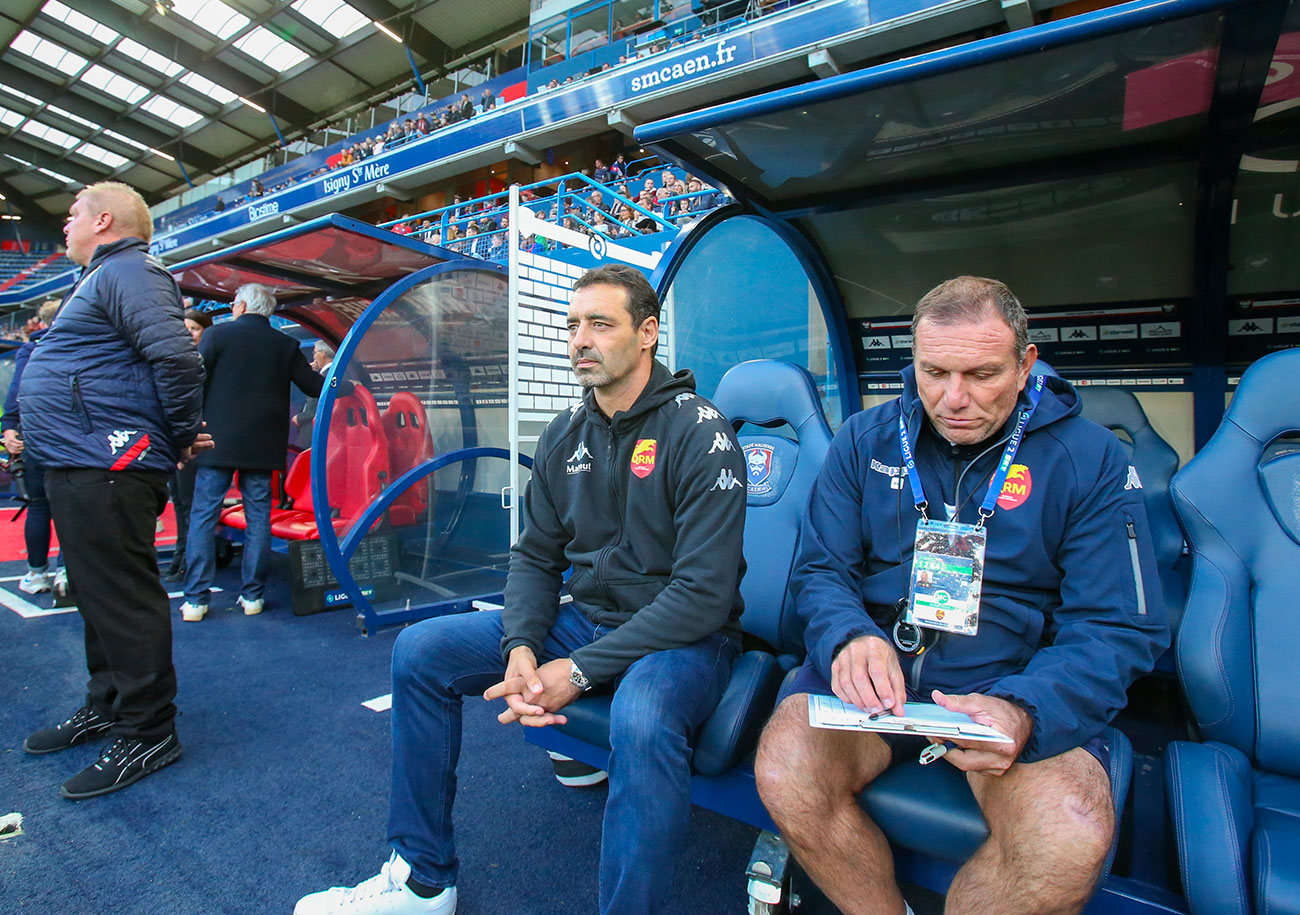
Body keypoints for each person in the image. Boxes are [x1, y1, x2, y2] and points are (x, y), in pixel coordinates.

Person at [295, 264, 748, 915]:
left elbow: (703, 594)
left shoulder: (699, 432)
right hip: (588, 620)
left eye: (600, 323)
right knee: (421, 651)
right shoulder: (566, 432)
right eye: (572, 325)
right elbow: (536, 556)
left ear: (647, 332)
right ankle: (424, 880)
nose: (580, 340)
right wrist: (520, 644)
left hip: (683, 640)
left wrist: (581, 670)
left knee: (641, 716)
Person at [753, 276, 1171, 915]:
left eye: (981, 375)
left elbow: (1118, 628)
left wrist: (1024, 707)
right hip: (875, 686)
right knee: (786, 768)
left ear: (1026, 364)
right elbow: (821, 571)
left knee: (1067, 833)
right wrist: (849, 635)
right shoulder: (865, 439)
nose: (954, 399)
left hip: (1008, 686)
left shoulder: (1089, 458)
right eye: (934, 372)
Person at [18, 181, 209, 800]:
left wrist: (176, 439)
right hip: (82, 461)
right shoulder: (104, 276)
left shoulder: (130, 269)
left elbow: (177, 360)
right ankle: (109, 705)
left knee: (122, 598)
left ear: (103, 221)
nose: (65, 223)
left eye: (72, 213)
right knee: (98, 597)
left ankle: (150, 729)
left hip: (108, 464)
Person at [179, 283, 323, 622]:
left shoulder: (216, 336)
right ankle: (252, 596)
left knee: (203, 516)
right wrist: (348, 384)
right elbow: (314, 385)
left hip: (216, 442)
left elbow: (194, 382)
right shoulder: (285, 344)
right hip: (263, 447)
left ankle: (196, 600)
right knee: (259, 518)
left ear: (241, 305)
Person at [164, 309, 214, 582]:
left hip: (197, 443)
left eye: (194, 328)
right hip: (175, 443)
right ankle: (180, 557)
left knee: (191, 504)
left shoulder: (207, 364)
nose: (188, 334)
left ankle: (187, 562)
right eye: (185, 328)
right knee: (181, 503)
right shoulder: (174, 361)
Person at [293, 341, 335, 449]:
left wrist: (300, 417)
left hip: (314, 433)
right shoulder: (324, 373)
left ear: (323, 354)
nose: (314, 357)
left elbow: (316, 406)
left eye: (315, 353)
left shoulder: (328, 376)